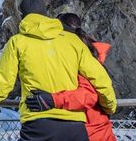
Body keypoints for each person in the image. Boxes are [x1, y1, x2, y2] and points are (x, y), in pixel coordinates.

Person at [0, 0, 117, 141]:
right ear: (46, 14)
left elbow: (3, 85)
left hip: (38, 123)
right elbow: (100, 79)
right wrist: (110, 106)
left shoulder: (17, 42)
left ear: (22, 16)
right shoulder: (72, 40)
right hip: (75, 125)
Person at [26, 13, 116, 141]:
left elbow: (88, 95)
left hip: (89, 132)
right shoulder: (86, 52)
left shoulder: (77, 54)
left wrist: (53, 100)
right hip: (95, 130)